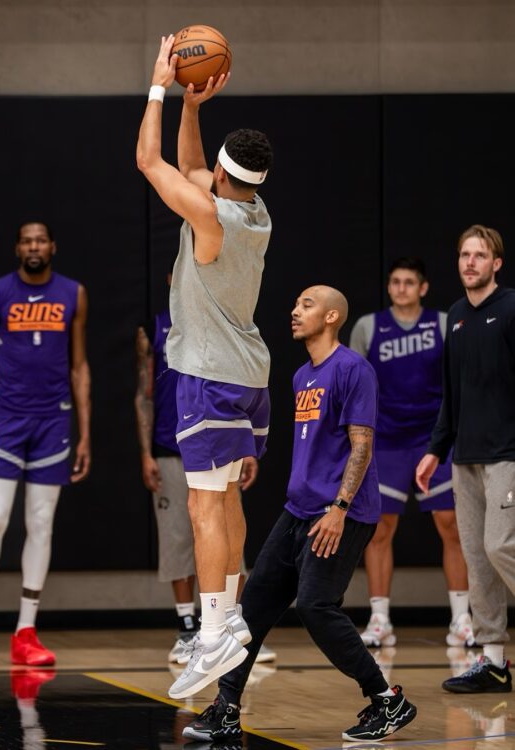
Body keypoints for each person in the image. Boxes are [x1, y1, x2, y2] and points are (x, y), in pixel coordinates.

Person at [182, 285, 417, 743]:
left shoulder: (354, 369)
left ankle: (387, 701)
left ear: (332, 317)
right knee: (248, 614)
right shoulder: (301, 376)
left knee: (314, 605)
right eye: (295, 304)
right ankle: (226, 708)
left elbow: (362, 445)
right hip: (298, 512)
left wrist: (339, 508)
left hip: (340, 514)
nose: (294, 310)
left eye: (306, 305)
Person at [137, 36, 273, 700]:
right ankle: (230, 616)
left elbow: (148, 160)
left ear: (221, 176)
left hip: (210, 375)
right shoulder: (251, 210)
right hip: (248, 377)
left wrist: (161, 85)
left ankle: (215, 632)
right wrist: (193, 107)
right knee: (225, 499)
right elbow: (192, 171)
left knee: (202, 507)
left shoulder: (210, 217)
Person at [0, 221, 91, 669]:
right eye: (26, 240)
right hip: (5, 418)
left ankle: (25, 632)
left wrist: (85, 432)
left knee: (41, 522)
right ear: (17, 247)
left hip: (52, 421)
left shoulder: (73, 293)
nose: (34, 246)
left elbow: (79, 366)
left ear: (52, 246)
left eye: (41, 240)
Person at [134, 268, 275, 665]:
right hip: (170, 444)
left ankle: (230, 622)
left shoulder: (227, 321)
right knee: (180, 536)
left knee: (227, 529)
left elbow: (248, 385)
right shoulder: (153, 329)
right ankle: (188, 629)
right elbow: (142, 393)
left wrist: (249, 445)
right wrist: (145, 452)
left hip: (219, 437)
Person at [350, 257, 472, 648]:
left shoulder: (441, 324)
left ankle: (461, 620)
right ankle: (380, 619)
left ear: (423, 288)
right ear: (389, 287)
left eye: (409, 283)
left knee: (452, 523)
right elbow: (353, 385)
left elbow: (458, 380)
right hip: (386, 440)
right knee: (380, 529)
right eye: (395, 282)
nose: (401, 288)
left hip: (432, 440)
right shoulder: (370, 327)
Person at [417, 224, 515, 694]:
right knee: (477, 558)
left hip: (507, 455)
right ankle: (493, 661)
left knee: (501, 546)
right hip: (465, 458)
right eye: (464, 255)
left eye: (480, 255)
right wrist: (436, 450)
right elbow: (451, 396)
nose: (470, 262)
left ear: (497, 264)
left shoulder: (512, 308)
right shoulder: (455, 316)